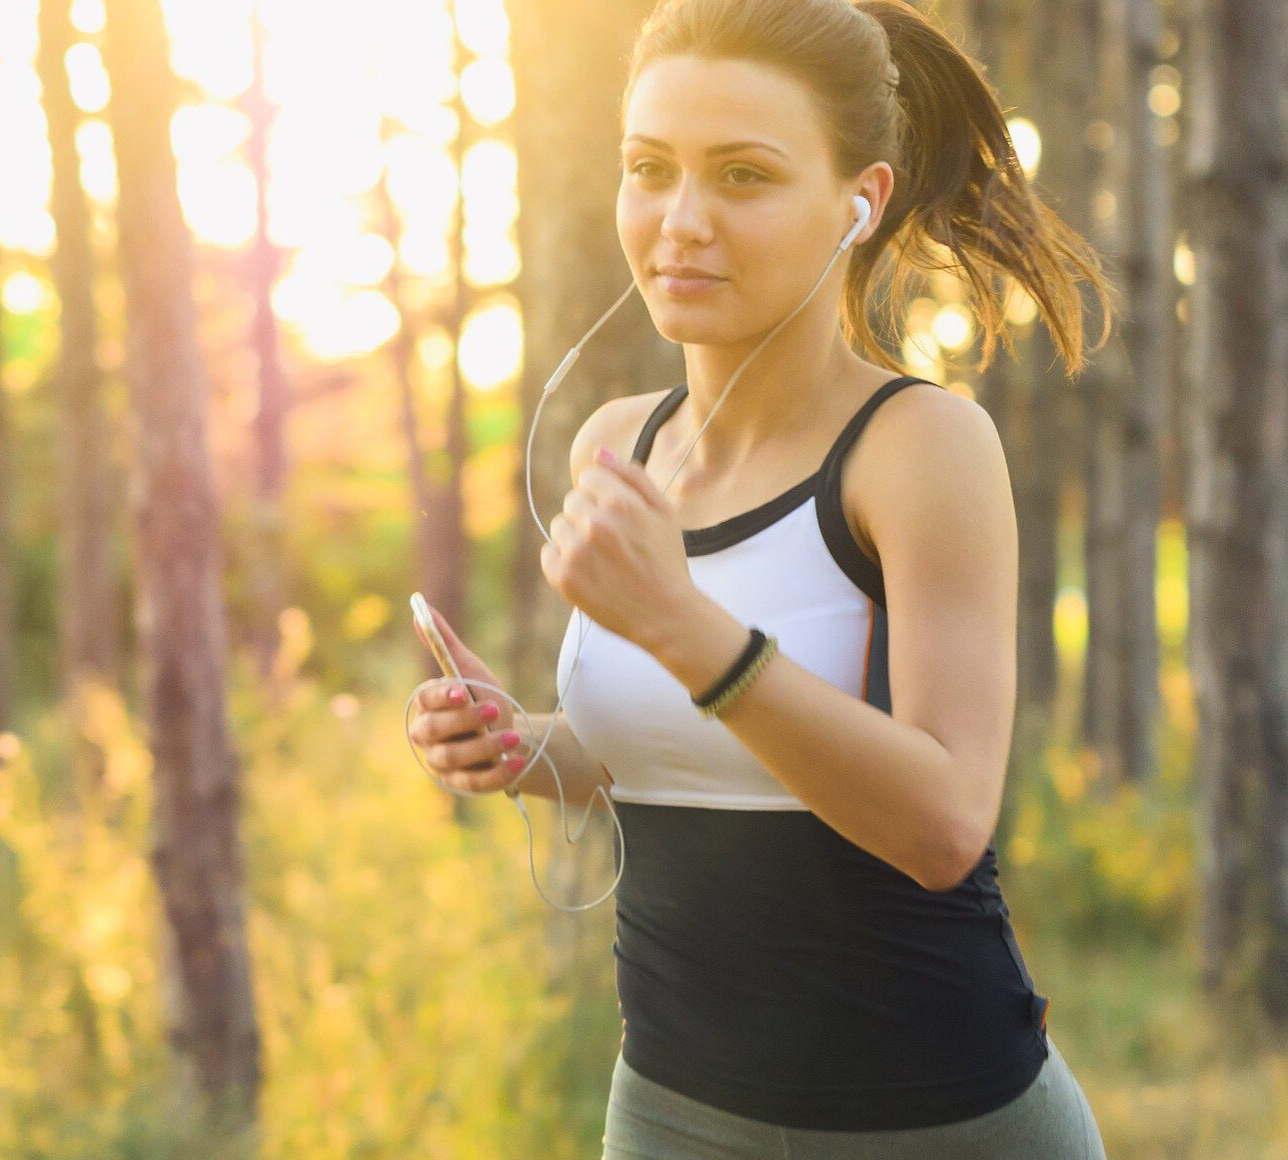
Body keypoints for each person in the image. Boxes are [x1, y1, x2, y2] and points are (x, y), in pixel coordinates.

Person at [411, 0, 1117, 1155]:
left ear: (861, 201)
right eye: (651, 169)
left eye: (741, 176)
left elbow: (943, 821)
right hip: (671, 1112)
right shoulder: (615, 442)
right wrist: (523, 745)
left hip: (943, 1121)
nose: (679, 222)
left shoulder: (917, 447)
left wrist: (687, 628)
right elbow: (679, 754)